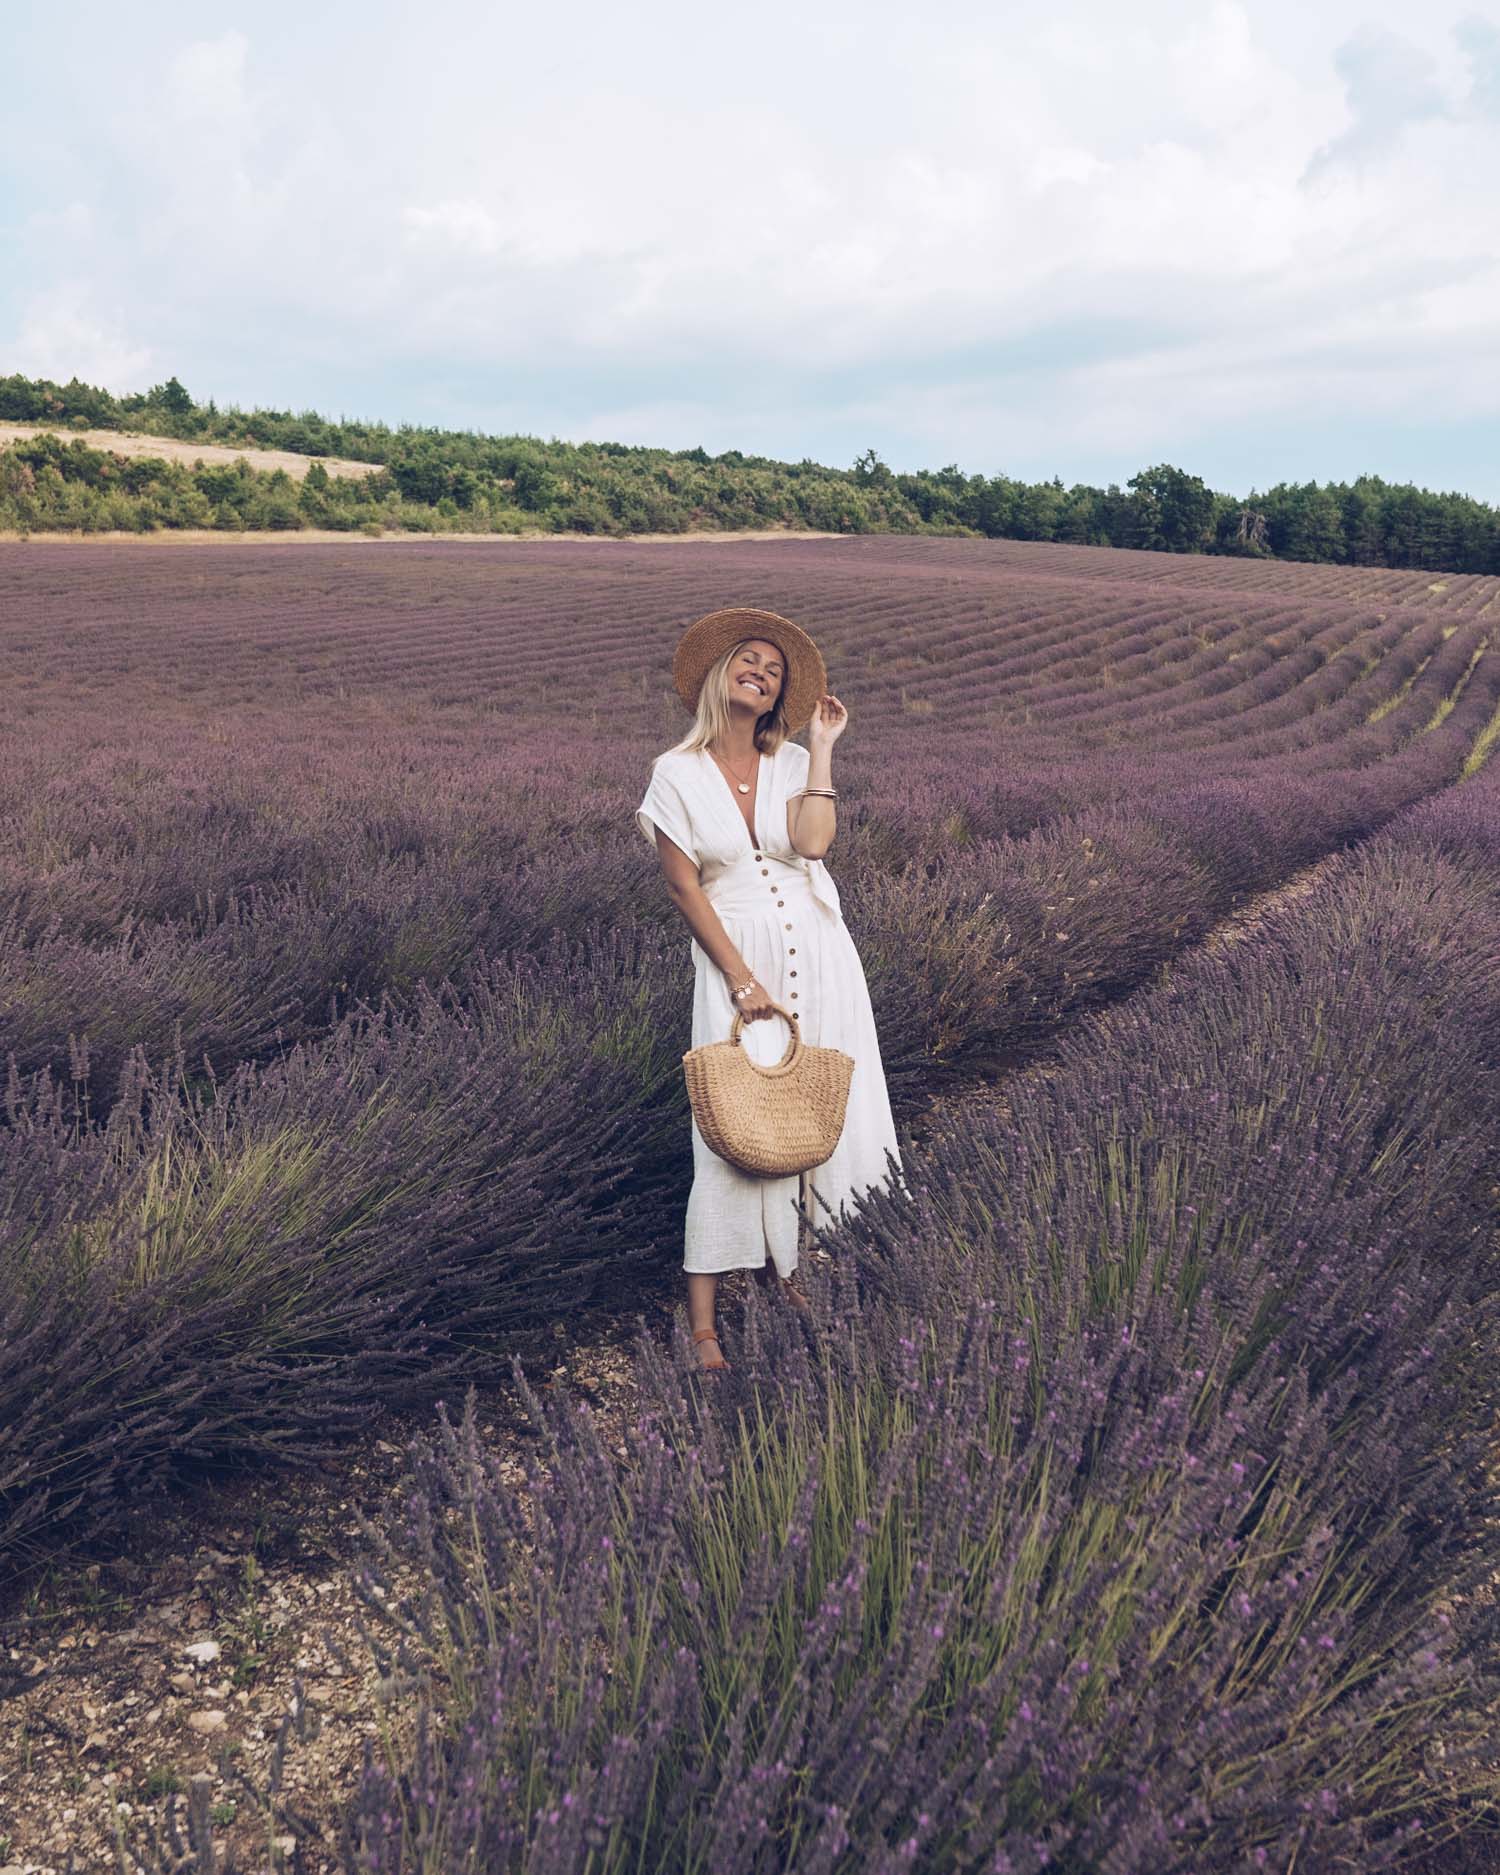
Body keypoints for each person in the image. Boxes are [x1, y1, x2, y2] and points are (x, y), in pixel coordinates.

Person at [635, 606, 904, 1373]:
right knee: (730, 1127)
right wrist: (740, 979)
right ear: (722, 673)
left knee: (822, 1112)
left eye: (776, 669)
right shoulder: (675, 773)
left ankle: (794, 1272)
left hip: (820, 950)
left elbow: (813, 845)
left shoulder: (789, 761)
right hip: (737, 956)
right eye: (750, 659)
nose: (763, 671)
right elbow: (685, 888)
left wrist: (820, 748)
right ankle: (704, 1326)